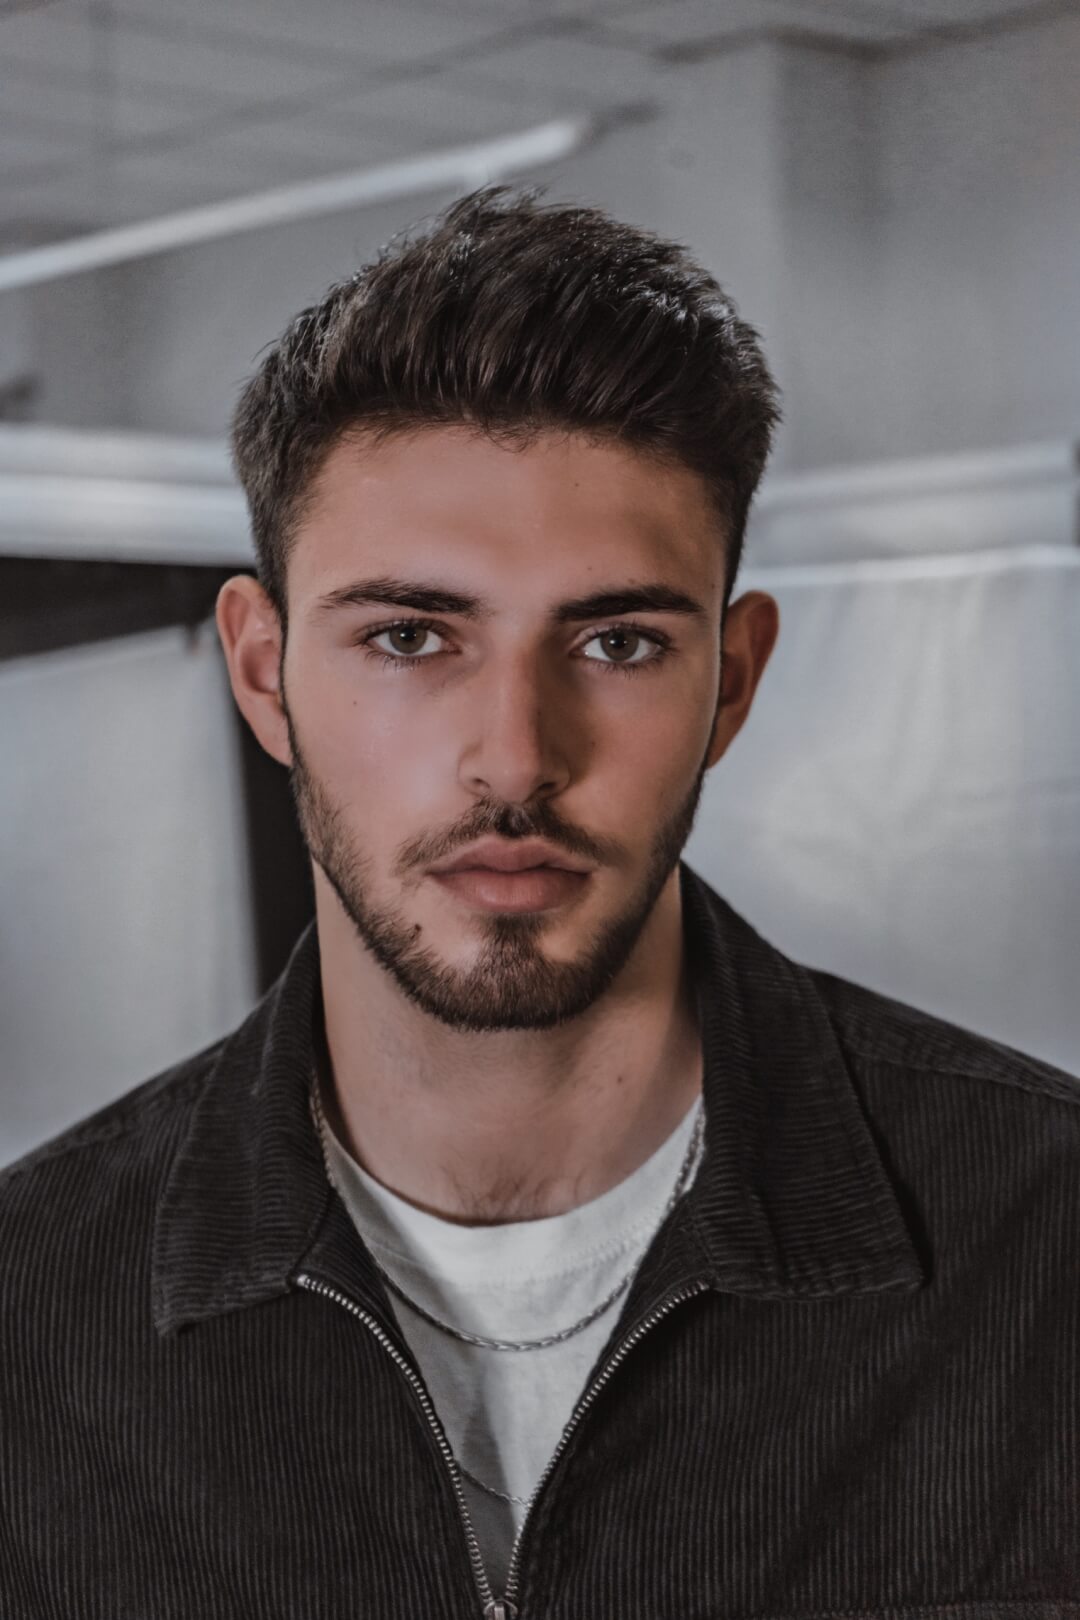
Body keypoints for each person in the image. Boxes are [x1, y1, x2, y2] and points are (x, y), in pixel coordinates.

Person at [3, 187, 1079, 1620]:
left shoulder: (1047, 1247)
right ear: (264, 675)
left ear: (733, 682)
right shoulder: (28, 1318)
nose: (516, 754)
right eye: (408, 636)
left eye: (618, 640)